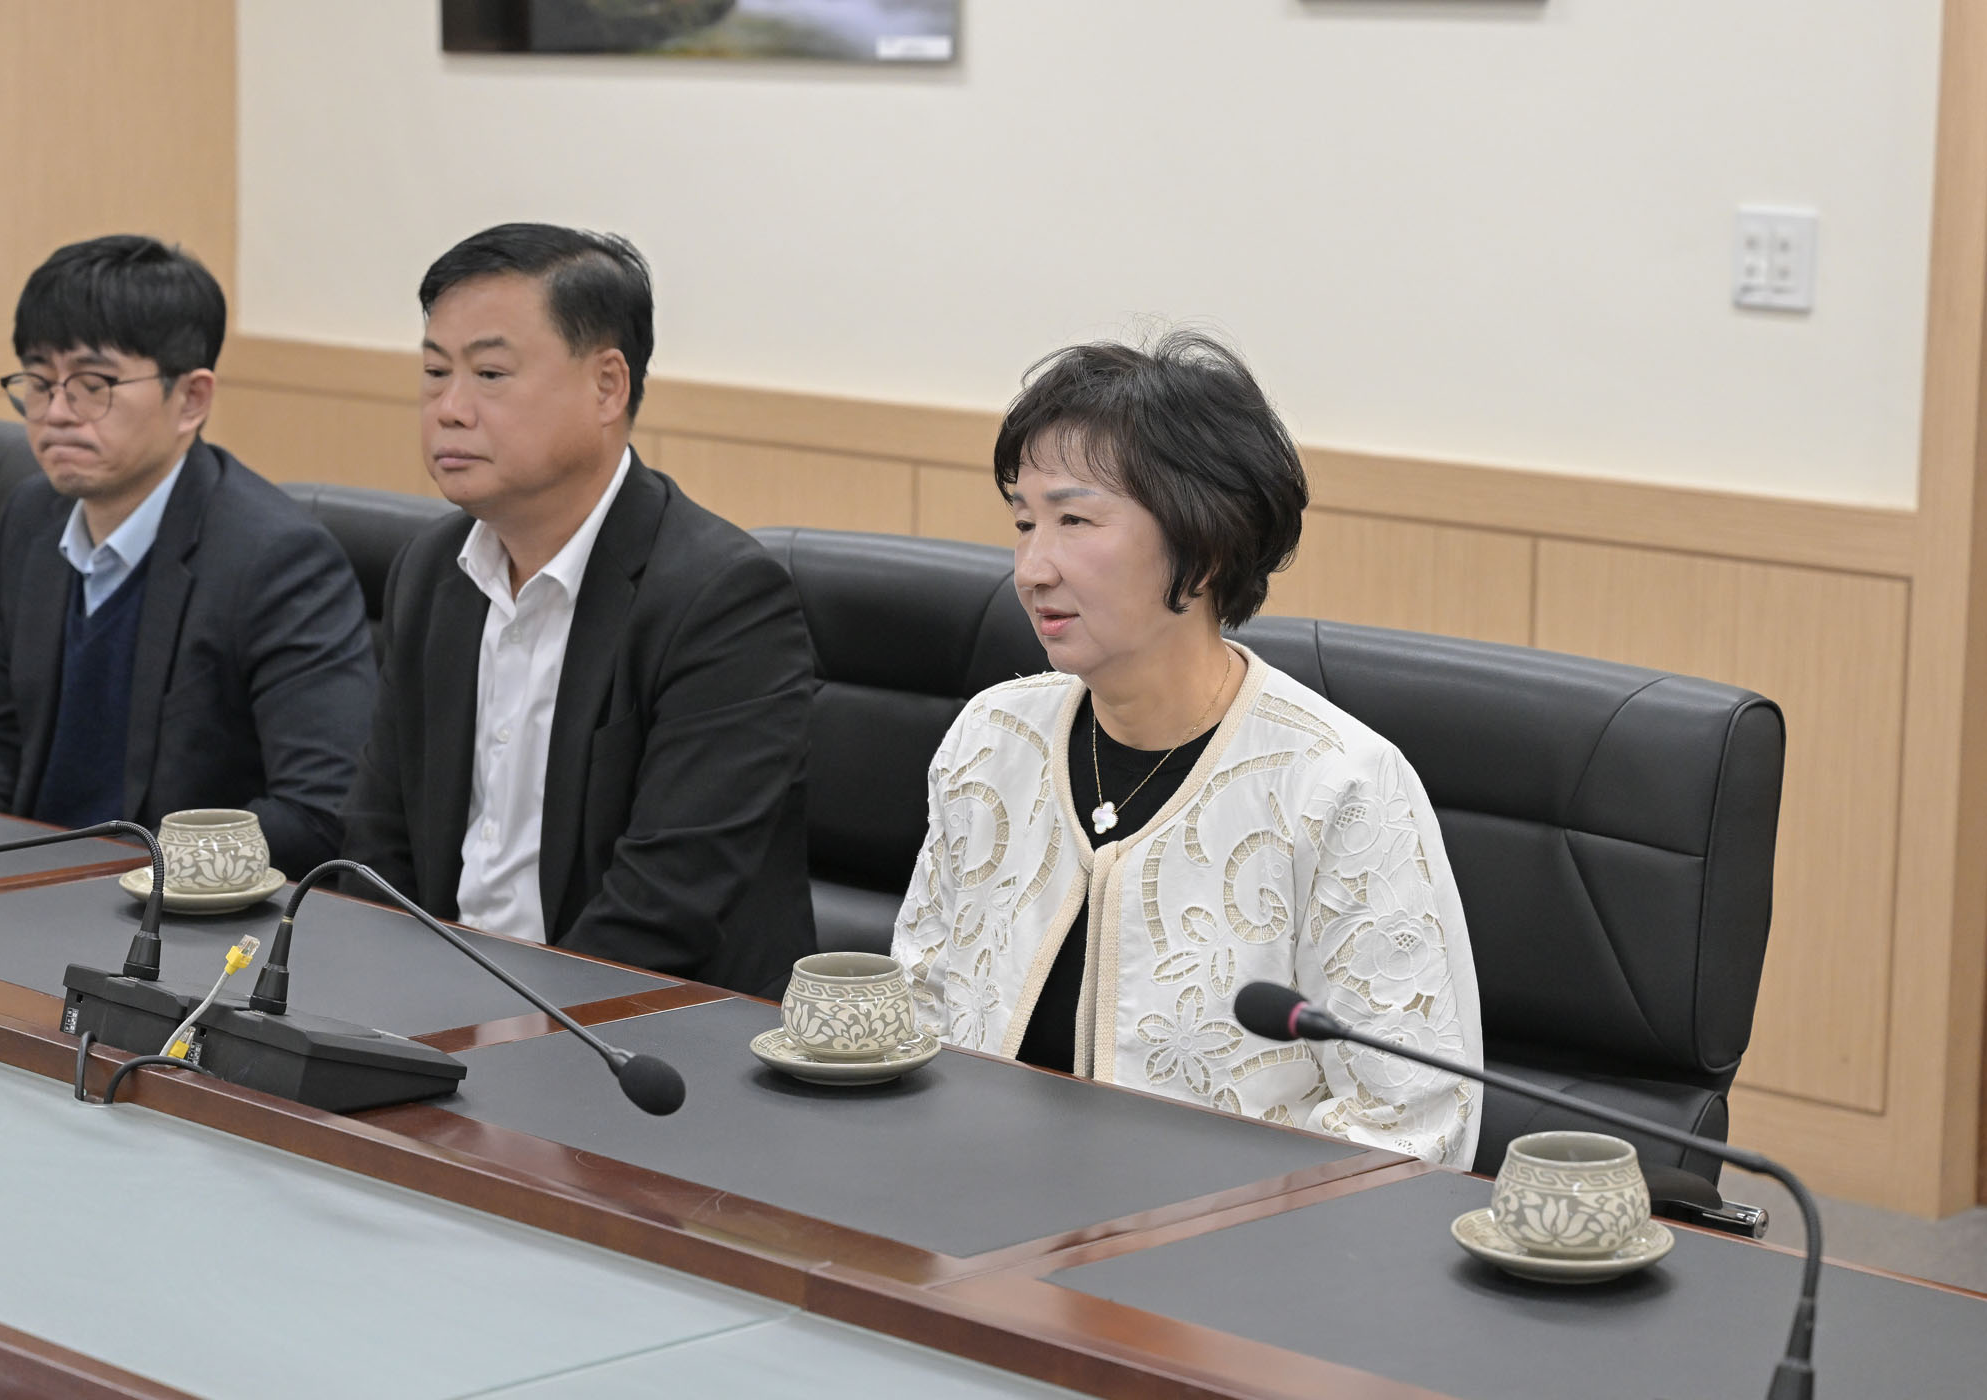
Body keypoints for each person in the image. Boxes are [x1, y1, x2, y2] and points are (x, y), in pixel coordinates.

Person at [892, 333, 1482, 1166]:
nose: (1031, 568)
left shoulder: (1337, 786)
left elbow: (1414, 1126)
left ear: (1203, 548)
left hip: (1220, 1241)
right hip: (969, 1206)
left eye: (1073, 520)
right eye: (1024, 522)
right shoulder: (992, 740)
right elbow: (912, 1015)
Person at [340, 223, 816, 996]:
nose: (450, 408)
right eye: (434, 372)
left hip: (641, 1036)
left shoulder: (721, 601)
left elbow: (663, 911)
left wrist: (494, 1035)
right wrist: (386, 1011)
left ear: (607, 386)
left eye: (490, 374)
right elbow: (376, 849)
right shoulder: (431, 573)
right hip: (439, 1015)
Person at [0, 235, 375, 878]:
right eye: (38, 380)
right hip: (24, 889)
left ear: (192, 399)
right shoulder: (32, 517)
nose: (56, 412)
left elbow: (317, 811)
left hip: (176, 911)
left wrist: (128, 877)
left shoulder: (276, 559)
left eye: (92, 384)